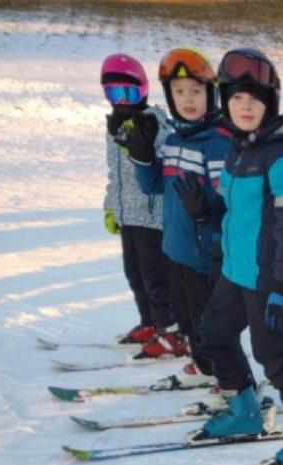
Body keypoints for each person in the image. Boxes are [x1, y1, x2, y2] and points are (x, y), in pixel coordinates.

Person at [196, 48, 283, 461]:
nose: (245, 106)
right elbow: (235, 209)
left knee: (273, 354)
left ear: (270, 104)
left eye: (255, 99)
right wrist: (216, 234)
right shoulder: (238, 149)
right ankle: (244, 409)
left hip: (267, 278)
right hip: (236, 273)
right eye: (237, 97)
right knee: (213, 336)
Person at [123, 47, 233, 384]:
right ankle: (203, 365)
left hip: (205, 255)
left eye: (196, 91)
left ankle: (224, 376)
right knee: (185, 318)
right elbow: (156, 186)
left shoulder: (218, 142)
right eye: (179, 92)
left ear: (210, 94)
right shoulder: (172, 139)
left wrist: (206, 214)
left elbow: (229, 202)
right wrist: (143, 158)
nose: (187, 99)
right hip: (175, 248)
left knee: (207, 321)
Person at [101, 53, 173, 355]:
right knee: (134, 272)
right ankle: (149, 322)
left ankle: (168, 329)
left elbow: (168, 164)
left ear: (142, 90)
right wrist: (111, 207)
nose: (121, 100)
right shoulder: (114, 128)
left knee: (156, 275)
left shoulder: (153, 123)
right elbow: (114, 172)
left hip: (151, 214)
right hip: (128, 214)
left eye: (128, 93)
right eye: (114, 93)